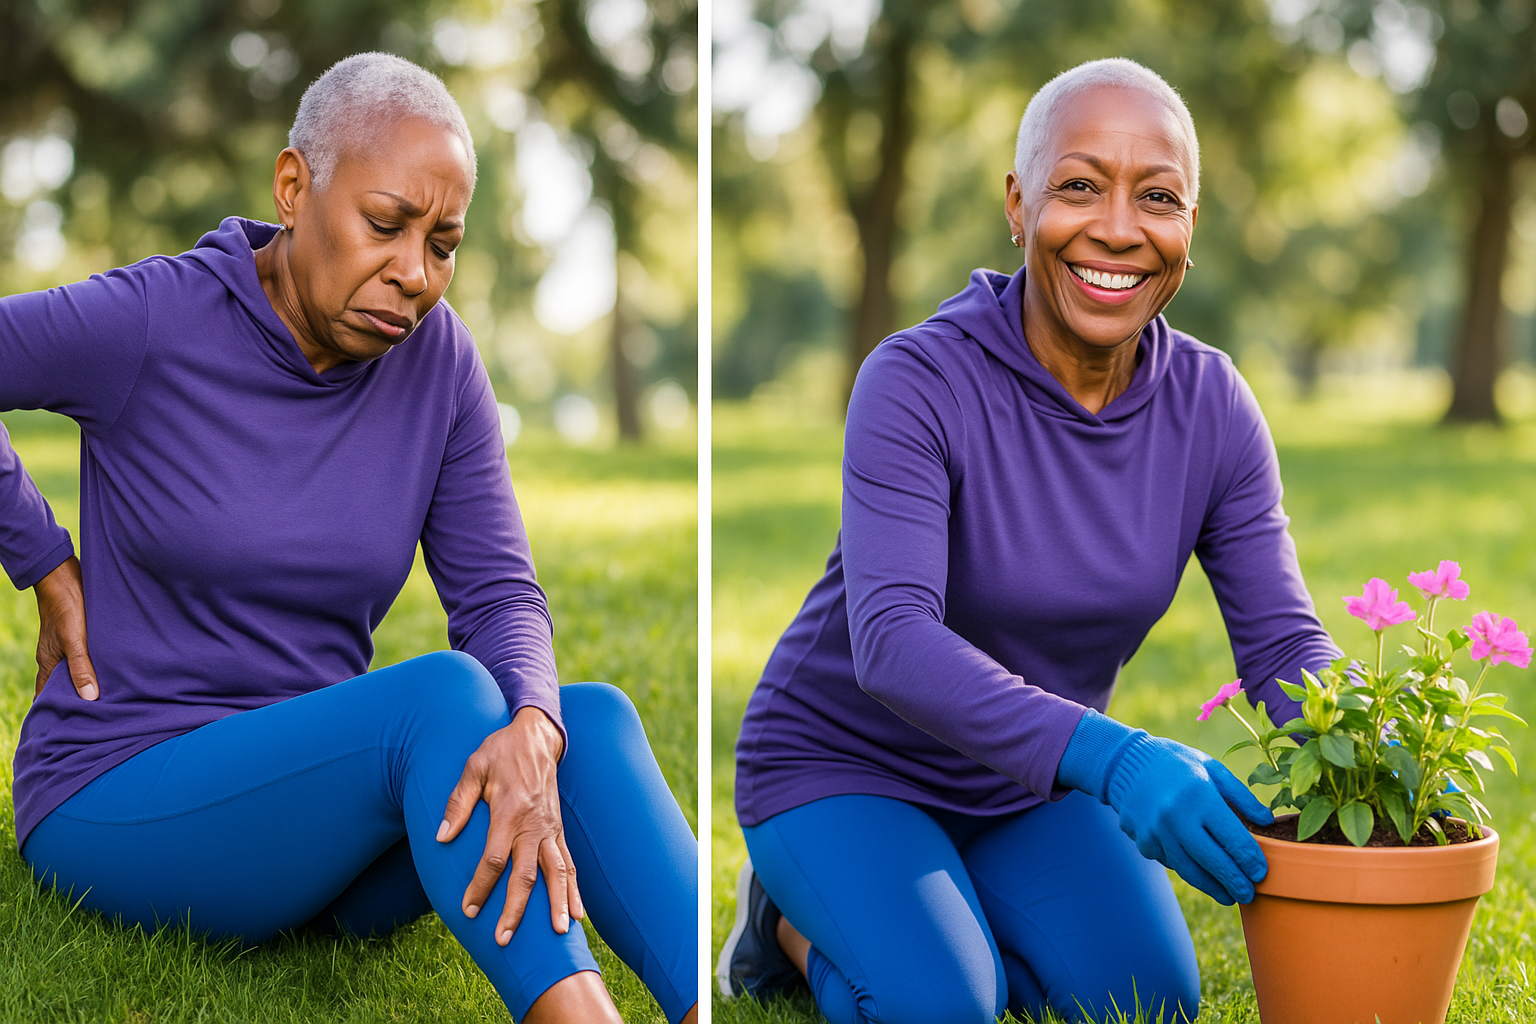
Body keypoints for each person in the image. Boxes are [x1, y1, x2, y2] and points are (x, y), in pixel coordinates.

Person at [1, 53, 697, 1024]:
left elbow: (498, 594)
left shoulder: (439, 363)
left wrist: (535, 725)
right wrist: (40, 556)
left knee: (585, 724)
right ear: (294, 188)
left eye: (443, 244)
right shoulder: (155, 319)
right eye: (385, 225)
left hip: (316, 821)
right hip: (120, 788)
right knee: (443, 697)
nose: (414, 274)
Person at [716, 58, 1341, 1024]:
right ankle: (784, 926)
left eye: (1158, 198)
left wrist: (1376, 755)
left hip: (1027, 786)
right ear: (1018, 204)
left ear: (1191, 225)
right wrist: (1118, 760)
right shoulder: (918, 380)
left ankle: (946, 910)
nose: (1119, 229)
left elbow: (1284, 644)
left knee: (1147, 1005)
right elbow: (893, 642)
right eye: (1079, 187)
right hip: (843, 768)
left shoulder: (1213, 406)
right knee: (940, 1009)